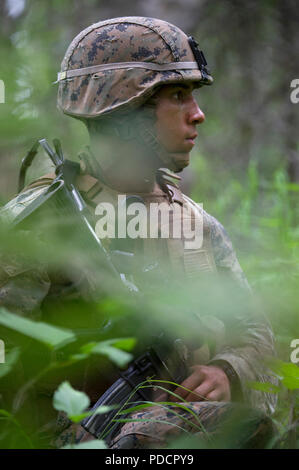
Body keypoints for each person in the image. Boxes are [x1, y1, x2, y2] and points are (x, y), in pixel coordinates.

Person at [0, 17, 277, 449]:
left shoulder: (195, 224)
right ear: (124, 107)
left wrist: (228, 371)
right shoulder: (39, 225)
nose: (198, 115)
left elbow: (255, 333)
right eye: (178, 96)